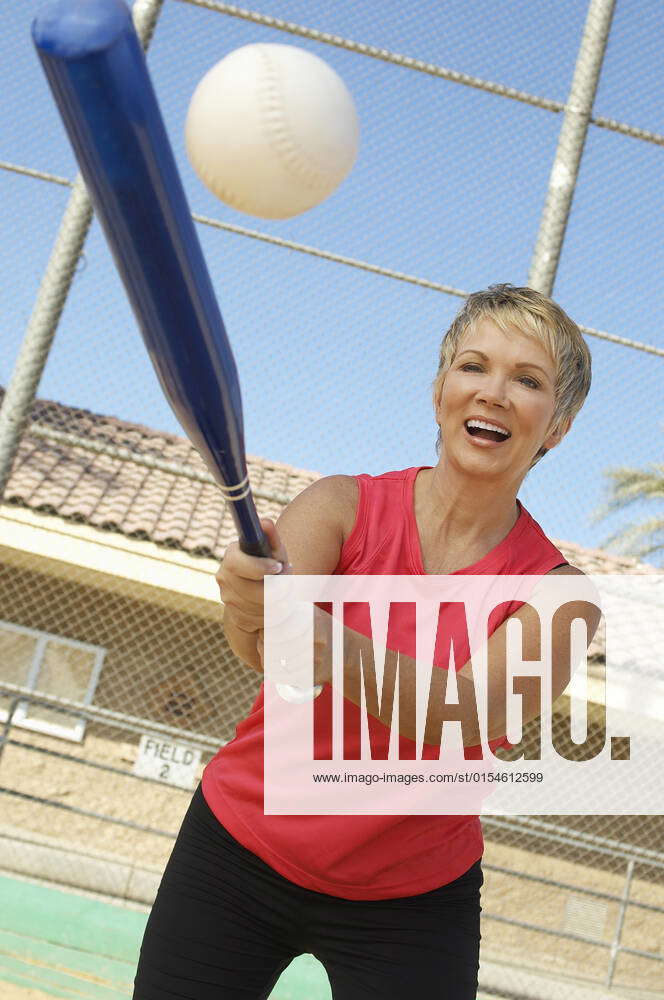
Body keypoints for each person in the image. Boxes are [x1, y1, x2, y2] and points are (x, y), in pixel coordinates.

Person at [133, 284, 599, 999]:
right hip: (242, 846)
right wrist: (244, 602)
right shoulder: (340, 505)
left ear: (559, 425)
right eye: (473, 367)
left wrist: (324, 639)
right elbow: (269, 651)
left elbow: (464, 714)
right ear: (441, 388)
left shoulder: (561, 596)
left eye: (528, 381)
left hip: (411, 898)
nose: (494, 393)